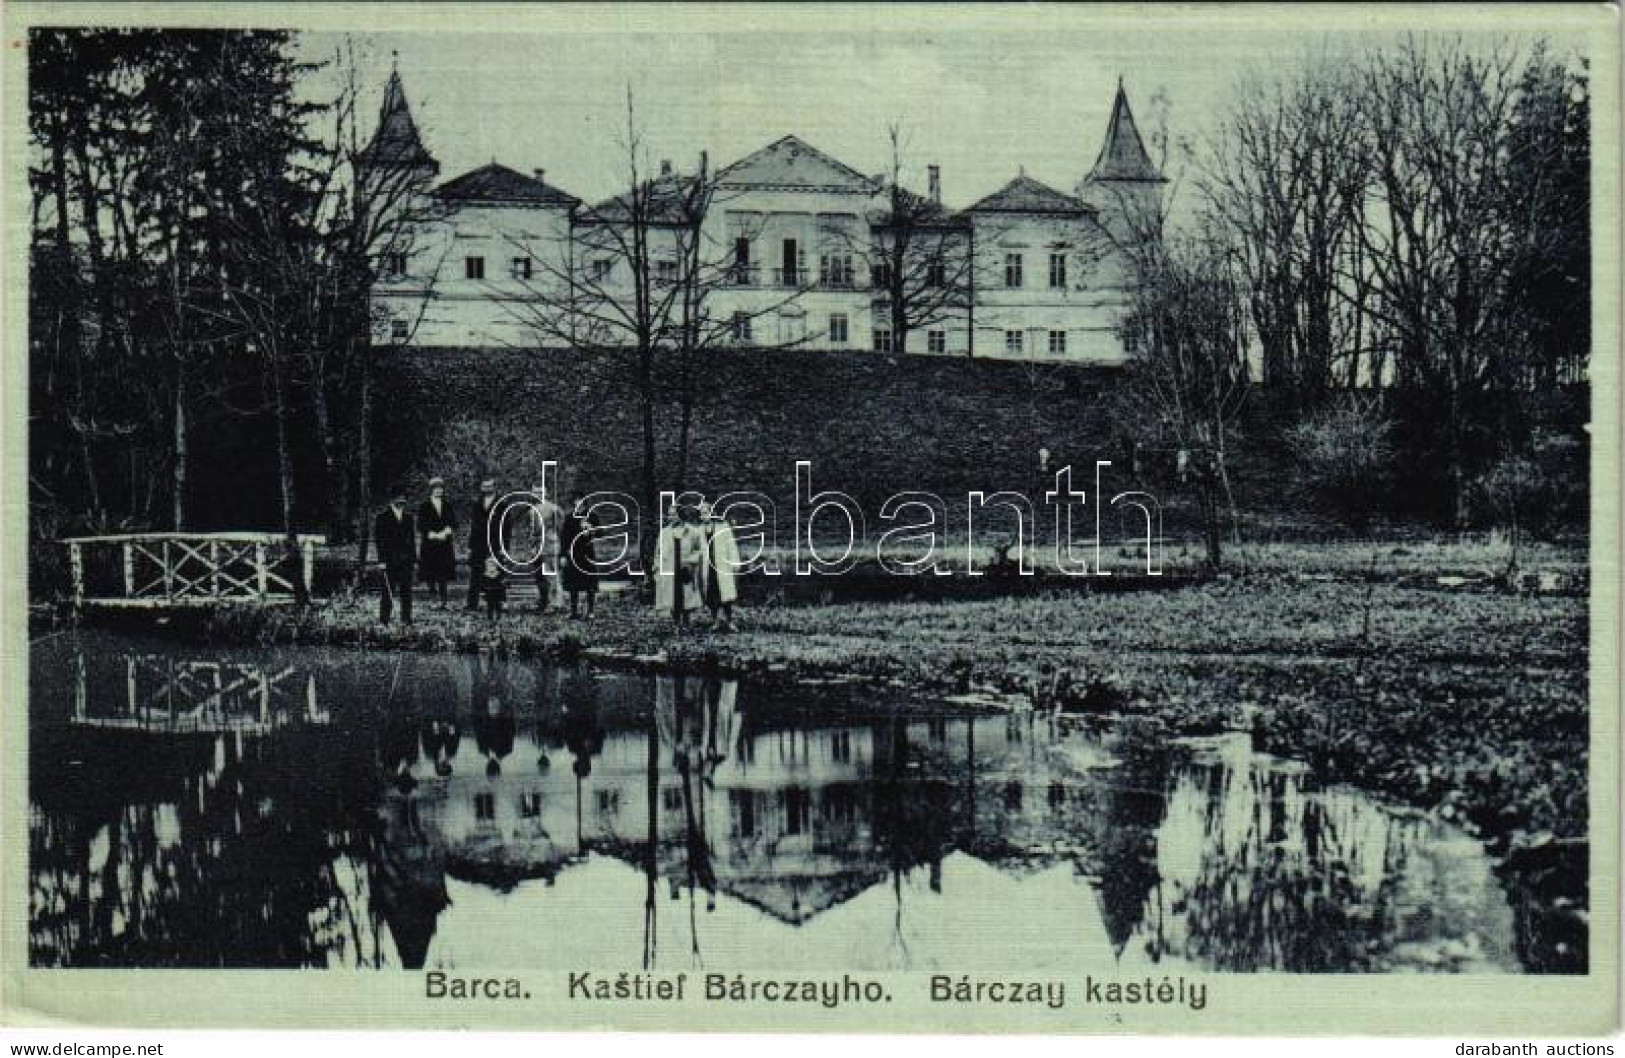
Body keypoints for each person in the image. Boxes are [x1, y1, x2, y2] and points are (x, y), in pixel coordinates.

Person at [653, 506, 702, 630]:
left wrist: (691, 561)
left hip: (686, 568)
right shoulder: (664, 533)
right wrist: (657, 567)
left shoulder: (692, 531)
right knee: (671, 596)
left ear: (681, 515)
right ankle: (676, 623)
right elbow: (658, 552)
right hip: (670, 567)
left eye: (674, 515)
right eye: (669, 515)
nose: (671, 517)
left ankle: (686, 622)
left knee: (686, 595)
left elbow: (699, 550)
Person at [375, 493, 417, 626]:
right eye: (398, 500)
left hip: (405, 561)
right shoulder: (382, 518)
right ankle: (384, 620)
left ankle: (406, 619)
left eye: (403, 501)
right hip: (389, 561)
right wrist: (381, 561)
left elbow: (412, 541)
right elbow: (379, 541)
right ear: (392, 501)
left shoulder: (408, 518)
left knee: (406, 591)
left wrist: (413, 560)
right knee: (387, 591)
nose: (401, 503)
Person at [698, 501, 741, 630]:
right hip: (708, 566)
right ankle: (715, 621)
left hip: (722, 565)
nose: (704, 515)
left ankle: (729, 621)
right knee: (712, 595)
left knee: (726, 596)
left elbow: (731, 546)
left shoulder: (723, 527)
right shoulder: (699, 530)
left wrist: (735, 562)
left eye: (706, 512)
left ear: (712, 513)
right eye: (702, 513)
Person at [559, 489, 601, 619]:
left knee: (590, 584)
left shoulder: (592, 516)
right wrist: (563, 555)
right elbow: (564, 538)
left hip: (587, 553)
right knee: (573, 584)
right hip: (573, 553)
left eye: (580, 500)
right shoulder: (569, 517)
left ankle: (591, 611)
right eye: (575, 500)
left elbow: (601, 533)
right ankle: (573, 611)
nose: (578, 502)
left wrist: (592, 530)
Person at [417, 477, 457, 607]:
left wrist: (446, 531)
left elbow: (454, 522)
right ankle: (433, 598)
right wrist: (432, 534)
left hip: (444, 544)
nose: (439, 491)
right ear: (431, 490)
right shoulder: (425, 506)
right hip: (430, 544)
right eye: (436, 488)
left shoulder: (447, 505)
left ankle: (443, 600)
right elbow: (420, 525)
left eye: (441, 488)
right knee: (430, 573)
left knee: (443, 573)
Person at [466, 479, 500, 611]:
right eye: (485, 486)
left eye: (490, 486)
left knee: (495, 574)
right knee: (475, 574)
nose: (487, 488)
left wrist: (504, 547)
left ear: (494, 487)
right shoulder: (477, 503)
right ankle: (472, 604)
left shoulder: (501, 503)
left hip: (495, 543)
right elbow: (473, 526)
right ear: (481, 487)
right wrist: (470, 545)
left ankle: (497, 603)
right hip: (478, 543)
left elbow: (506, 527)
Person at [530, 482, 564, 614]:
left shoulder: (554, 509)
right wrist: (533, 548)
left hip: (550, 545)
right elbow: (532, 532)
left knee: (552, 576)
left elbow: (560, 528)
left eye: (540, 492)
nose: (538, 495)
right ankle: (543, 602)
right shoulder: (532, 510)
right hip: (537, 547)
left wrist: (557, 543)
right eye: (535, 492)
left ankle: (555, 604)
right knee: (540, 577)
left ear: (546, 493)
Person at [480, 555, 506, 620]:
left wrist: (503, 597)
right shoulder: (485, 575)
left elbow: (503, 586)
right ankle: (490, 617)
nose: (491, 567)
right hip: (489, 593)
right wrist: (482, 592)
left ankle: (498, 617)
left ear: (496, 566)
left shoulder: (499, 575)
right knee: (490, 606)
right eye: (489, 565)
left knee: (498, 606)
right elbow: (482, 585)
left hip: (497, 593)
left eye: (493, 565)